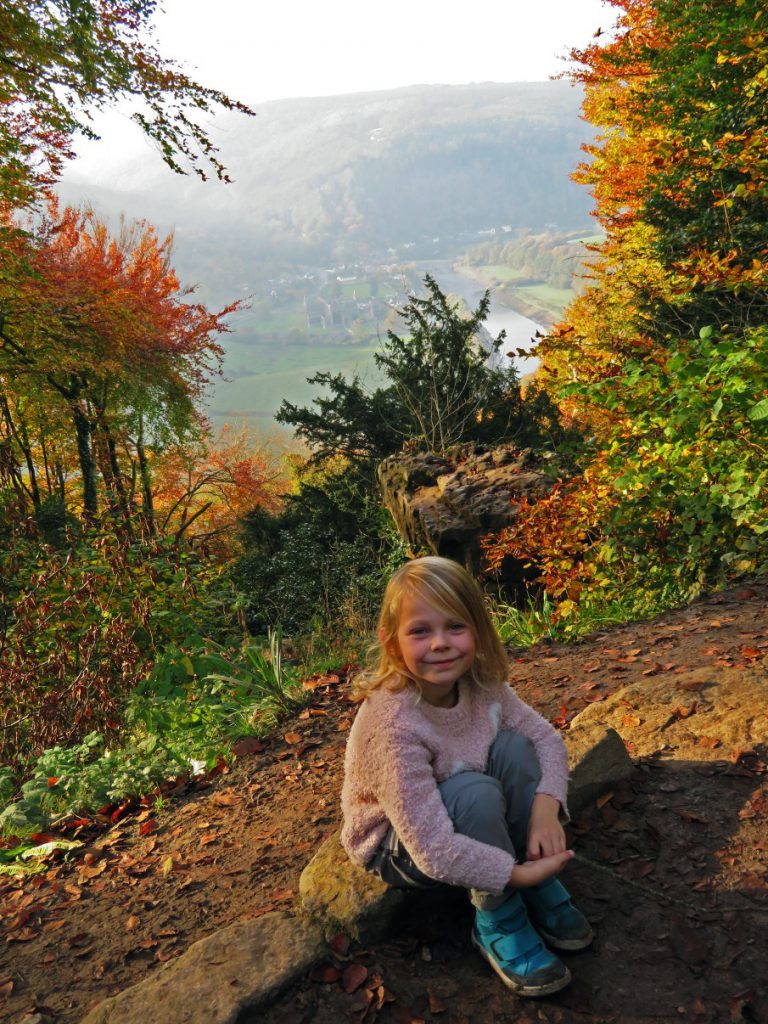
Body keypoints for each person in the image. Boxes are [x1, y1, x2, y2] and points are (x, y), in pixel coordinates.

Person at [340, 556, 592, 997]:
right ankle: (498, 915)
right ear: (393, 642)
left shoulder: (480, 684)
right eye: (420, 631)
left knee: (516, 748)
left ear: (477, 630)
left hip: (460, 803)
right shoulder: (392, 724)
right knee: (475, 794)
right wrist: (517, 878)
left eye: (455, 627)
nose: (440, 643)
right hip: (398, 842)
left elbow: (547, 740)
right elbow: (433, 850)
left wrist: (546, 808)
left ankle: (529, 861)